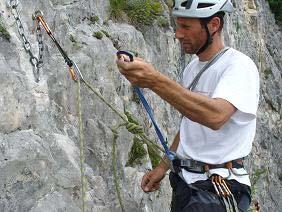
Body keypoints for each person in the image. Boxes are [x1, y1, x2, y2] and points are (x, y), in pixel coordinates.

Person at [116, 0, 260, 211]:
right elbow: (190, 125)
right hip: (188, 184)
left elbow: (215, 116)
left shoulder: (239, 66)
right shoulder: (192, 68)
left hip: (218, 187)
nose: (178, 34)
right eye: (178, 26)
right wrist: (163, 166)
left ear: (214, 25)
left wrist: (155, 80)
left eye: (186, 27)